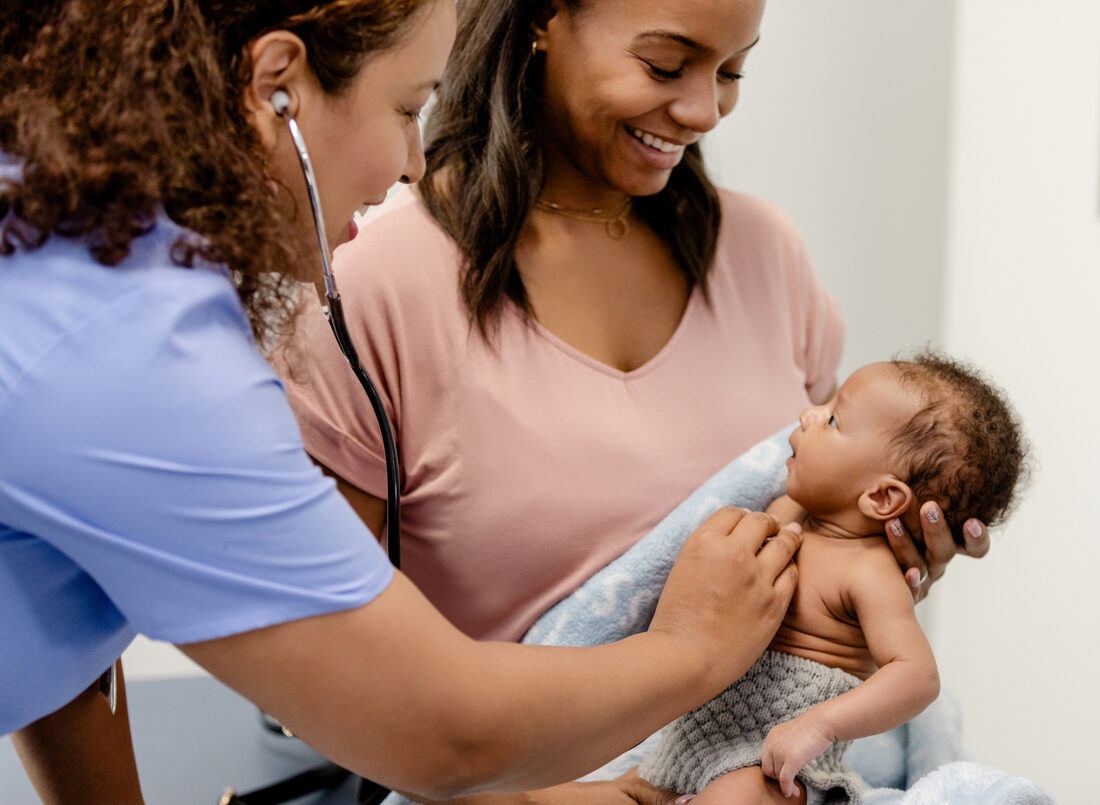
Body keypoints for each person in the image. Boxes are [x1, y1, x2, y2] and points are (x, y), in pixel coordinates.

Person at [0, 3, 805, 803]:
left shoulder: (66, 233)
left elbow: (62, 592)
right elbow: (442, 732)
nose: (414, 163)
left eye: (732, 70)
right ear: (278, 86)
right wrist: (695, 648)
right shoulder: (134, 354)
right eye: (404, 110)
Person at [277, 1, 992, 802]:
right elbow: (318, 675)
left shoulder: (764, 257)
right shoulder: (378, 280)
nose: (701, 110)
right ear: (545, 18)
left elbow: (827, 507)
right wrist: (528, 797)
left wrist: (871, 549)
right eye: (663, 64)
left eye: (732, 71)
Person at [637, 352, 1029, 804]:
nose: (810, 413)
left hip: (773, 765)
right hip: (689, 740)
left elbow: (918, 676)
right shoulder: (785, 509)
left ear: (882, 497)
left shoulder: (868, 571)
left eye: (834, 421)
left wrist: (818, 726)